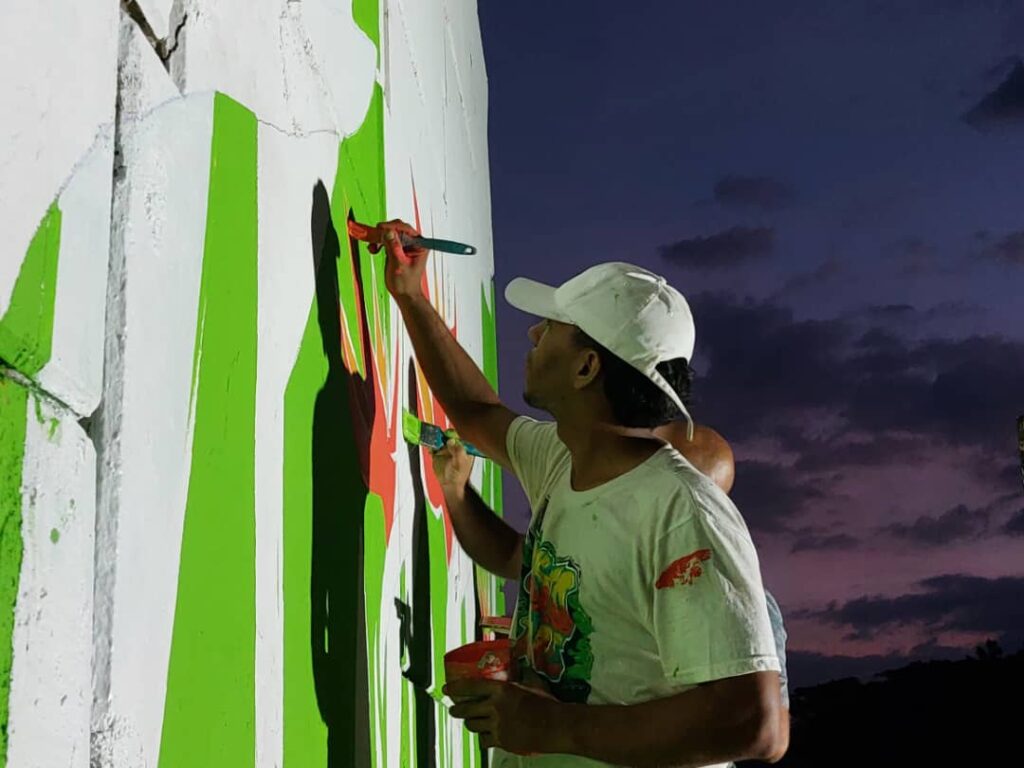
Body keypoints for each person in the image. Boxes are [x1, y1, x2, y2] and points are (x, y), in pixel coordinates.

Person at [377, 219, 785, 767]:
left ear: (586, 367)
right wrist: (410, 297)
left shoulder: (679, 512)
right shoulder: (563, 457)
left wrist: (556, 726)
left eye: (551, 327)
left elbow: (756, 725)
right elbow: (476, 414)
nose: (532, 334)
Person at [432, 423, 790, 764]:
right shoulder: (608, 528)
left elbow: (762, 728)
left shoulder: (743, 605)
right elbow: (515, 556)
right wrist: (457, 491)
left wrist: (557, 726)